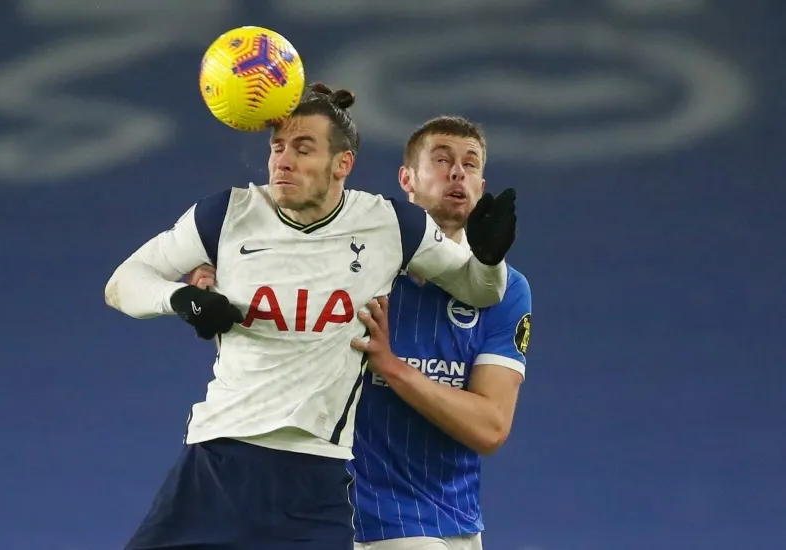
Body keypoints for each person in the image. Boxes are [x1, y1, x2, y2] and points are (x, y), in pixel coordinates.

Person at [104, 83, 519, 550]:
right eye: (277, 147)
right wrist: (181, 299)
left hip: (316, 474)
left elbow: (481, 291)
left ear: (342, 164)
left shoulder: (392, 226)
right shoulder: (227, 214)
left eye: (303, 148)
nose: (283, 160)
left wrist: (488, 258)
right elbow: (124, 282)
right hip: (218, 457)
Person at [349, 116, 533, 550]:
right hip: (374, 519)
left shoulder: (507, 290)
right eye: (442, 159)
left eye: (470, 165)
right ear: (406, 179)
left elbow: (489, 426)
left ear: (482, 185)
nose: (457, 172)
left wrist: (393, 369)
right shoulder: (360, 268)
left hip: (460, 522)